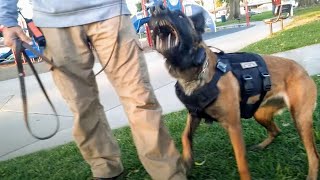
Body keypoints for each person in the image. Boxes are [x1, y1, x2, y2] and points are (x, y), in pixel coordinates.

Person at [0, 1, 187, 179]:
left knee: (140, 98)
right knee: (81, 105)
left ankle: (168, 173)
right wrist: (7, 19)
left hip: (111, 12)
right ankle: (105, 169)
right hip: (53, 21)